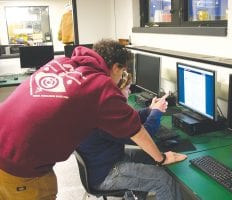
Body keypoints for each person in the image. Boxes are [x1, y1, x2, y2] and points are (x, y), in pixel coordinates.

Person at [0, 39, 186, 200]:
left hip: (9, 143)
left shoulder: (63, 63)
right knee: (162, 179)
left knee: (146, 160)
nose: (122, 78)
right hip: (17, 165)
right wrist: (161, 159)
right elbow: (136, 131)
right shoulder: (100, 86)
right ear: (115, 67)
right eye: (123, 73)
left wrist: (149, 110)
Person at [77, 72, 183, 200]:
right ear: (117, 91)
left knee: (151, 155)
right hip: (106, 173)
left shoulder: (101, 105)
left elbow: (130, 120)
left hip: (104, 162)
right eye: (127, 89)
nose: (130, 91)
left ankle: (132, 196)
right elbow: (144, 136)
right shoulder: (106, 115)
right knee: (163, 180)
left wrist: (150, 110)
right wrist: (156, 113)